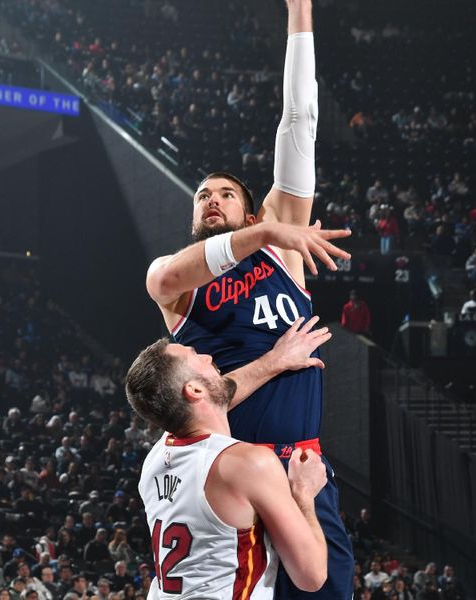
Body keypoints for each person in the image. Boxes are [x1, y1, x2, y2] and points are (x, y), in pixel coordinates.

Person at [144, 2, 354, 597]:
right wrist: (276, 359)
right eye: (201, 195)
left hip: (300, 466)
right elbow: (162, 280)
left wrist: (300, 14)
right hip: (229, 473)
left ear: (252, 209)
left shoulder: (283, 251)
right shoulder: (182, 281)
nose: (211, 199)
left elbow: (299, 119)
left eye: (226, 193)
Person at [125, 338, 328, 598]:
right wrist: (303, 494)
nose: (208, 358)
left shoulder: (156, 457)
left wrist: (275, 361)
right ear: (194, 390)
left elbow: (214, 396)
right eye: (197, 356)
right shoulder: (248, 464)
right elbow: (311, 576)